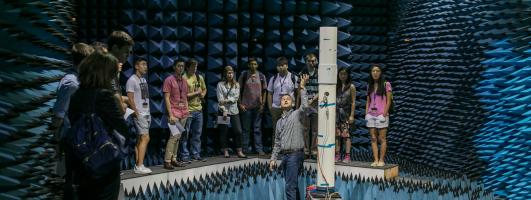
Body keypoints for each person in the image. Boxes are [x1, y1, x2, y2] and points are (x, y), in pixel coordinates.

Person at [68, 51, 129, 200]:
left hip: (81, 162)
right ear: (105, 73)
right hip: (103, 162)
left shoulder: (77, 94)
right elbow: (123, 129)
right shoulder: (104, 95)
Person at [50, 43, 94, 199]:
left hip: (78, 139)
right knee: (72, 184)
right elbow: (59, 115)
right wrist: (55, 143)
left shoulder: (76, 80)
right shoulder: (71, 83)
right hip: (71, 139)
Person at [269, 74, 311, 200]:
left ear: (292, 104)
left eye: (288, 99)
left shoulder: (297, 114)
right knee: (293, 186)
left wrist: (302, 87)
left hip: (295, 155)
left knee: (289, 187)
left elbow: (305, 106)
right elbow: (277, 142)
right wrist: (273, 158)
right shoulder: (278, 122)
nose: (286, 100)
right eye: (283, 99)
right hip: (285, 156)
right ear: (280, 104)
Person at [126, 59, 152, 174]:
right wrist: (135, 112)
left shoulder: (143, 80)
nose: (145, 66)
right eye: (143, 64)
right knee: (146, 138)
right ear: (136, 66)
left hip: (146, 113)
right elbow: (130, 98)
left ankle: (138, 163)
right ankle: (139, 165)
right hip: (140, 113)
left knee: (140, 139)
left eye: (146, 64)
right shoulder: (131, 80)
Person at [162, 60, 189, 169]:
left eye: (182, 66)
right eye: (179, 66)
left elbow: (185, 97)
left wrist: (187, 110)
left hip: (183, 113)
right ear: (174, 67)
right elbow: (166, 98)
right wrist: (170, 114)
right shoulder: (169, 80)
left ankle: (174, 159)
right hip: (174, 113)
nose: (181, 68)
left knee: (178, 137)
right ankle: (167, 161)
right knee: (174, 136)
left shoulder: (184, 81)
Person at [267, 56, 298, 151]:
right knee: (276, 130)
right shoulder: (273, 78)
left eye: (282, 65)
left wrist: (296, 107)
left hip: (289, 108)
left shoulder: (293, 77)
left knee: (289, 129)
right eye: (278, 66)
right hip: (276, 108)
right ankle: (276, 149)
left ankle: (288, 148)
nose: (280, 67)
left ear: (287, 66)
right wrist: (270, 107)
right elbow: (270, 93)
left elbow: (298, 93)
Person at [238, 58, 267, 155]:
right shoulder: (244, 75)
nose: (253, 66)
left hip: (258, 107)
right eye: (251, 64)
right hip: (246, 107)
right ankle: (245, 149)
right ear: (248, 65)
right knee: (246, 129)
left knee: (257, 129)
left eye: (255, 64)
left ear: (257, 65)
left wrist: (263, 104)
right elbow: (237, 89)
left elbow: (265, 91)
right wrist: (240, 104)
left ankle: (259, 149)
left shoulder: (262, 76)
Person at [217, 66, 247, 158]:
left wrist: (226, 101)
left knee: (238, 131)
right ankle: (225, 150)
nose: (230, 74)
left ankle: (239, 150)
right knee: (224, 131)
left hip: (234, 111)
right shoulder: (220, 85)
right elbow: (220, 99)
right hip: (223, 111)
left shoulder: (237, 85)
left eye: (231, 73)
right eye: (228, 73)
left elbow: (235, 98)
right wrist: (224, 110)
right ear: (225, 74)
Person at [181, 59, 207, 162]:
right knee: (185, 135)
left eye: (196, 67)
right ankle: (184, 155)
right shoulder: (183, 78)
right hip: (188, 110)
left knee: (197, 134)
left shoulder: (199, 77)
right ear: (187, 67)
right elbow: (183, 96)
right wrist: (197, 93)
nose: (195, 69)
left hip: (199, 110)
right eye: (193, 67)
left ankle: (196, 154)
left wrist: (202, 94)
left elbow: (204, 89)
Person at [366, 64, 392, 167]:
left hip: (381, 114)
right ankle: (375, 160)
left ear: (380, 73)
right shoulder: (369, 85)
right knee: (373, 138)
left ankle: (381, 160)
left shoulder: (386, 84)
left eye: (377, 71)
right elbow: (368, 101)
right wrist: (366, 113)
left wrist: (384, 114)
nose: (375, 73)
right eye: (373, 71)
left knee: (382, 138)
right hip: (371, 115)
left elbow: (389, 101)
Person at [297, 53, 319, 157]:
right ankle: (305, 151)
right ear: (306, 61)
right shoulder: (302, 73)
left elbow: (322, 89)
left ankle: (314, 151)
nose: (312, 63)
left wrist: (313, 99)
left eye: (313, 61)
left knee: (315, 129)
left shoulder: (320, 73)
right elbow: (299, 90)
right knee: (305, 129)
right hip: (305, 104)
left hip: (315, 104)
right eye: (309, 61)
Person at [107, 30, 134, 113]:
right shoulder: (108, 68)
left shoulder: (110, 66)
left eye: (129, 52)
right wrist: (123, 106)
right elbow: (118, 106)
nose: (128, 55)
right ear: (115, 48)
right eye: (126, 51)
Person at [335, 68, 356, 163]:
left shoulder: (351, 87)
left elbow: (353, 102)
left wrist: (352, 115)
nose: (342, 76)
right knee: (337, 136)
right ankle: (337, 154)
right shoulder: (336, 86)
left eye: (344, 74)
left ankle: (347, 156)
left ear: (348, 75)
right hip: (336, 114)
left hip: (346, 114)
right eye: (341, 74)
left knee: (346, 136)